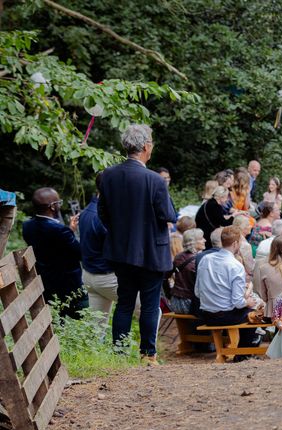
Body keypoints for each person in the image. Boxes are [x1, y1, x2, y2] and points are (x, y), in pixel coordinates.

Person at [98, 124, 175, 365]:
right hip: (152, 250)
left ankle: (119, 354)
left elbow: (103, 213)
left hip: (121, 250)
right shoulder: (154, 180)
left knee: (124, 302)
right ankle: (148, 354)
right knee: (150, 304)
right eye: (151, 143)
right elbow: (169, 215)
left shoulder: (108, 176)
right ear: (145, 147)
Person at [23, 187, 88, 319]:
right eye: (59, 202)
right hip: (70, 288)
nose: (60, 204)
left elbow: (52, 247)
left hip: (46, 285)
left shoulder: (27, 226)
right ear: (52, 207)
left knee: (57, 324)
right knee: (83, 319)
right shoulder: (60, 231)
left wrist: (68, 230)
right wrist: (72, 232)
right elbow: (80, 253)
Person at [194, 226, 260, 349]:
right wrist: (248, 302)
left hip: (206, 315)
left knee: (245, 310)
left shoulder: (205, 259)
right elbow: (238, 302)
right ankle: (243, 354)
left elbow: (197, 292)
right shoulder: (235, 265)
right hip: (225, 316)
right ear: (235, 243)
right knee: (254, 314)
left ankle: (239, 351)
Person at [79, 173, 119, 323]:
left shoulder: (87, 211)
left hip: (89, 275)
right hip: (107, 277)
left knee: (96, 329)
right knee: (151, 310)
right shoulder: (103, 215)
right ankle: (147, 347)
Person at [169, 228, 205, 314]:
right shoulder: (198, 260)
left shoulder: (178, 257)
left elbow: (165, 277)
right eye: (201, 238)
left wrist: (169, 295)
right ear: (192, 242)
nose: (205, 240)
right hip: (191, 304)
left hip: (175, 302)